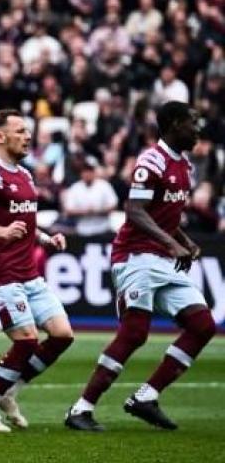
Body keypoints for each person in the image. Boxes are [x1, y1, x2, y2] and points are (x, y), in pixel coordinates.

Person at [65, 101, 217, 431]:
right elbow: (134, 209)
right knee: (135, 333)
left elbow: (165, 215)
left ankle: (146, 397)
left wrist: (184, 241)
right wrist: (172, 243)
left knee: (203, 325)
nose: (198, 128)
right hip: (135, 256)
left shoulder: (184, 165)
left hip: (163, 258)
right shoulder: (151, 161)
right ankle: (81, 408)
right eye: (192, 122)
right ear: (174, 124)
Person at [0, 109, 74, 432]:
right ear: (0, 137)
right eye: (21, 131)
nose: (28, 136)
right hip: (1, 274)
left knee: (63, 335)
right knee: (26, 341)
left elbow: (23, 223)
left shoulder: (24, 175)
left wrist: (45, 237)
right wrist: (1, 232)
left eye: (28, 131)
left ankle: (11, 390)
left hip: (29, 273)